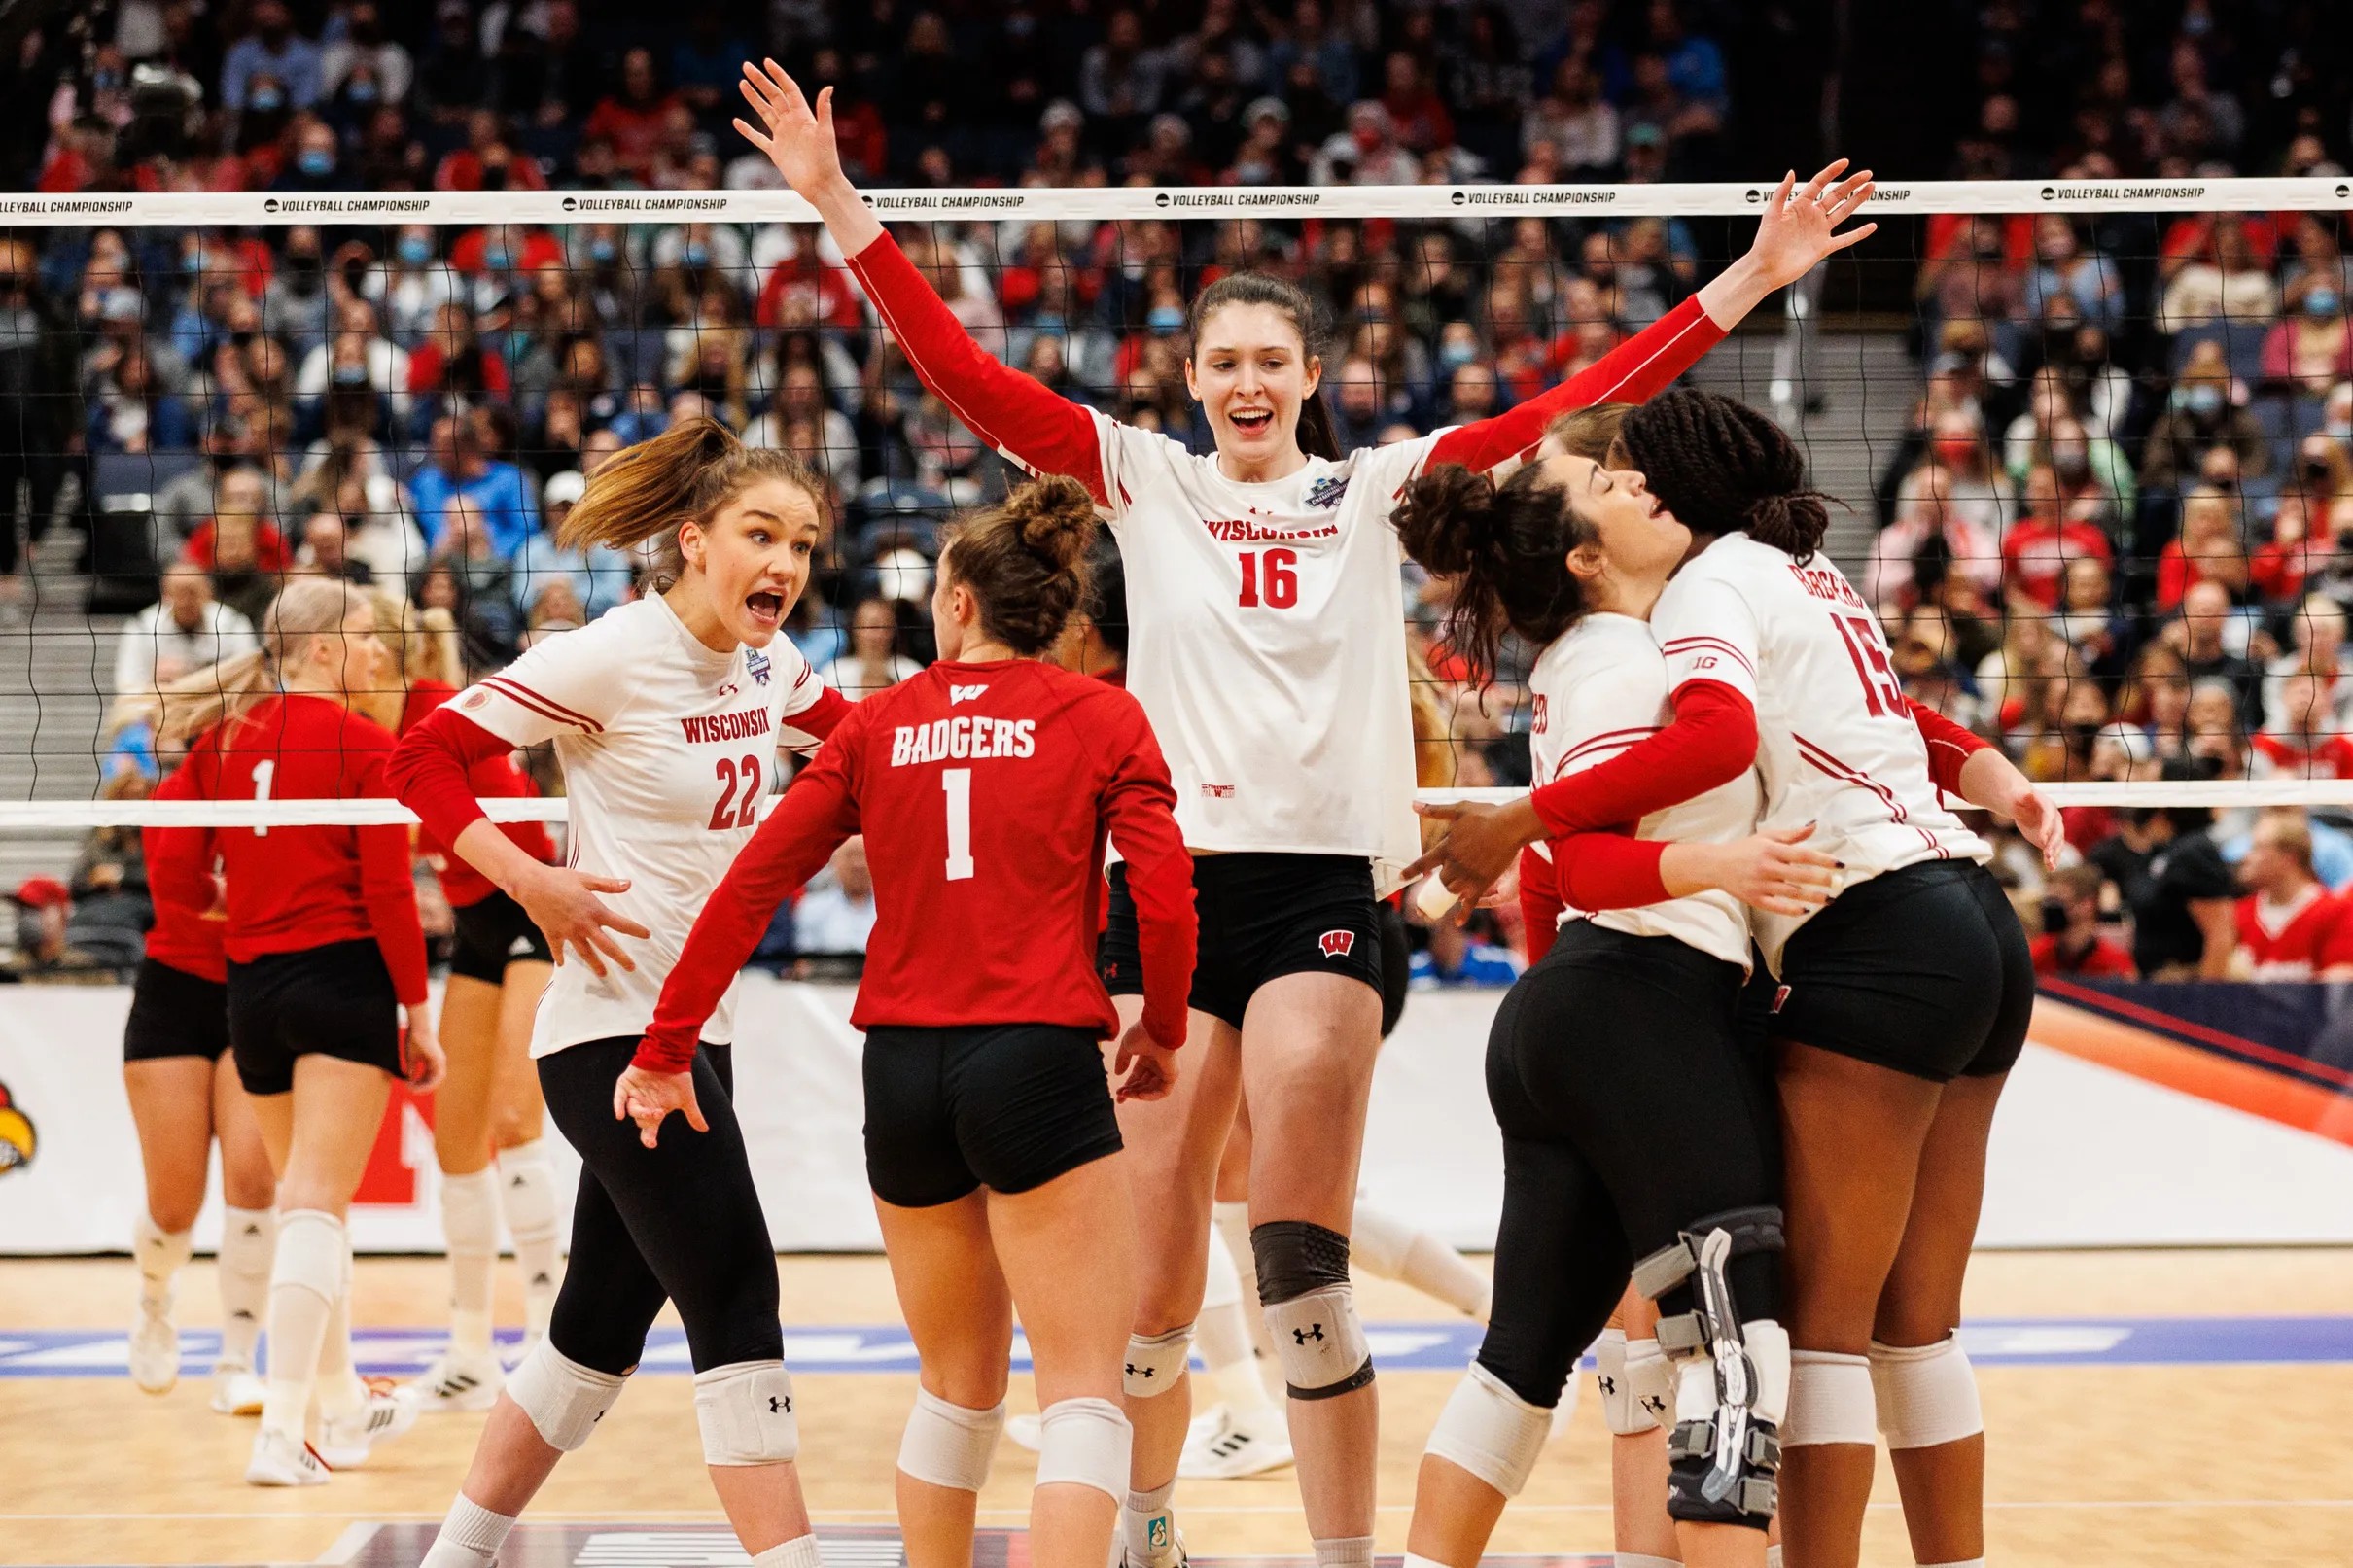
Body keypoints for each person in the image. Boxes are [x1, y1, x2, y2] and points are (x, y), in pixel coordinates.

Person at [734, 59, 1879, 1568]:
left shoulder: (1374, 491)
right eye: (1227, 362)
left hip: (1325, 888)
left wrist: (1749, 273)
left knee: (1297, 1263)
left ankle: (1347, 1559)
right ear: (1193, 378)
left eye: (1275, 358)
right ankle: (1145, 1530)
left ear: (1312, 373)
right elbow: (969, 378)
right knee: (1146, 1287)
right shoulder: (1142, 480)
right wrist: (837, 207)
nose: (1251, 382)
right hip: (1169, 896)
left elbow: (1573, 404)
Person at [1408, 390, 2062, 1568]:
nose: (1615, 487)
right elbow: (1875, 715)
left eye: (1622, 475)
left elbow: (1711, 741)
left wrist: (1517, 820)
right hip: (1973, 917)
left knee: (1808, 1341)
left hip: (1866, 938)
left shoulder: (1700, 592)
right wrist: (1987, 765)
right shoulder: (1799, 570)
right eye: (1596, 479)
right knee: (1913, 1328)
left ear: (1671, 499)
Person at [633, 474, 1198, 1568]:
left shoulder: (876, 724)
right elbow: (1164, 892)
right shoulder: (1100, 714)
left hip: (899, 1068)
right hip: (1034, 1056)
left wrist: (665, 1047)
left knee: (953, 1386)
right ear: (1059, 614)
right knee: (1081, 1389)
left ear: (953, 605)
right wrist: (1163, 1024)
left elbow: (748, 885)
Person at [385, 417, 849, 1568]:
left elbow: (868, 745)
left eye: (801, 541)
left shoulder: (768, 663)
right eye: (759, 534)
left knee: (598, 1317)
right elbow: (418, 759)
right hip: (610, 1034)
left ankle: (459, 1549)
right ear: (694, 541)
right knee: (736, 1290)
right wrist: (533, 880)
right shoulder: (612, 652)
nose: (784, 564)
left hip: (699, 1027)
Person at [1386, 434, 1844, 1568]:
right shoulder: (1612, 663)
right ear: (1586, 558)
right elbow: (1562, 859)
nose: (1637, 479)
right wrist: (1707, 879)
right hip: (1637, 997)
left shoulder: (1628, 647)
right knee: (1738, 1341)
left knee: (1521, 1355)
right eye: (1606, 483)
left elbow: (1548, 858)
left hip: (1592, 1009)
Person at [146, 577, 447, 1487]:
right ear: (321, 649)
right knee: (316, 1200)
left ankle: (346, 1404)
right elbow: (391, 892)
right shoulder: (366, 740)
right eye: (364, 636)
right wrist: (418, 1011)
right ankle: (283, 1432)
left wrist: (223, 916)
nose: (380, 653)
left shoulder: (226, 737)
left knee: (310, 1209)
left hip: (252, 991)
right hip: (342, 980)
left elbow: (170, 856)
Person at [360, 594, 567, 1409]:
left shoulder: (438, 714)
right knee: (455, 1138)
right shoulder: (372, 729)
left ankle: (552, 1337)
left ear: (388, 652)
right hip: (478, 927)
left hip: (531, 912)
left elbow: (500, 834)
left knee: (516, 1121)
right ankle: (471, 1348)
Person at [121, 747, 277, 1415]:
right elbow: (182, 893)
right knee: (174, 1206)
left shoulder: (288, 778)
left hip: (256, 986)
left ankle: (238, 1360)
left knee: (253, 1180)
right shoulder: (179, 792)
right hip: (175, 994)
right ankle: (155, 1298)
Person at [2230, 810, 2353, 980]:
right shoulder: (2239, 914)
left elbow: (2340, 982)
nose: (2246, 858)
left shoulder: (2335, 912)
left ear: (2289, 857)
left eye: (2258, 848)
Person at [113, 564, 261, 698]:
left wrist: (198, 680)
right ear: (164, 596)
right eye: (177, 593)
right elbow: (127, 686)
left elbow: (248, 679)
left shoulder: (233, 625)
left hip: (218, 708)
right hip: (160, 710)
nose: (185, 601)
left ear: (208, 593)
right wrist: (159, 687)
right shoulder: (142, 627)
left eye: (192, 592)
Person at [2031, 864, 2136, 979]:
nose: (2051, 908)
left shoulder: (2113, 965)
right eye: (2049, 901)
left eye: (2058, 901)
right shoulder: (2035, 955)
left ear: (2087, 904)